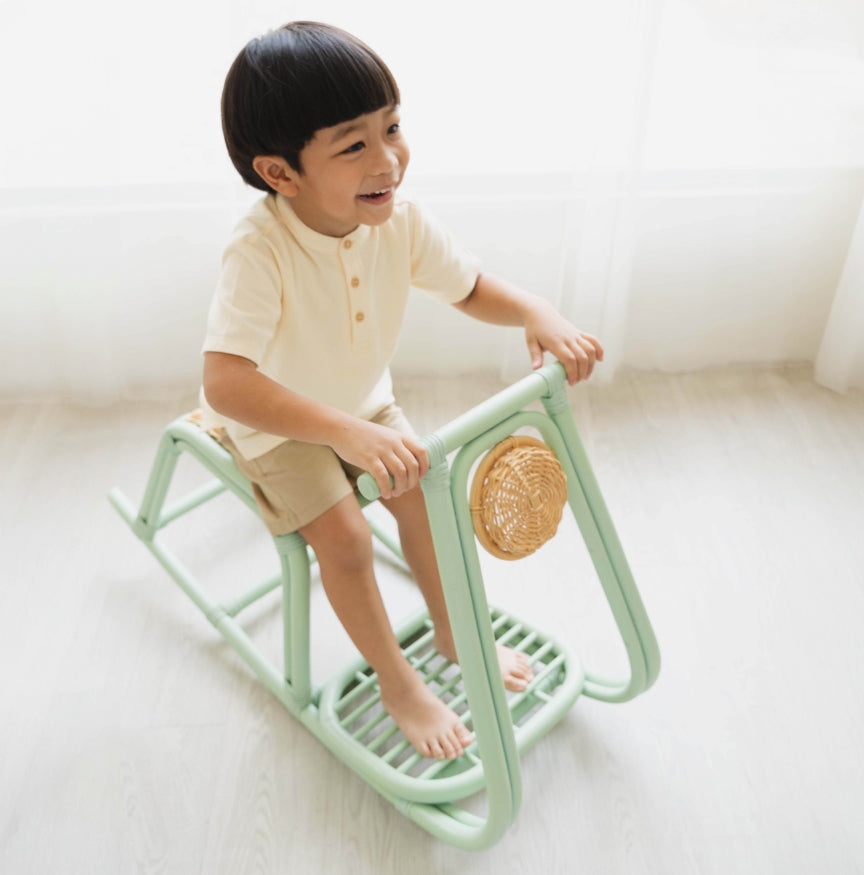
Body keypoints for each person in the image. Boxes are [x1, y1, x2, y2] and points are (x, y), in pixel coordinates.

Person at [201, 21, 603, 762]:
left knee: (425, 494)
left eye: (391, 127)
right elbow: (225, 384)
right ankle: (396, 680)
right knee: (347, 540)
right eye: (353, 145)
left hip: (364, 405)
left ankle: (452, 629)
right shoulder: (259, 249)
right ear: (281, 173)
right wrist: (343, 434)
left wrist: (532, 310)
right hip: (280, 428)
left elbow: (469, 285)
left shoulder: (398, 222)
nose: (389, 157)